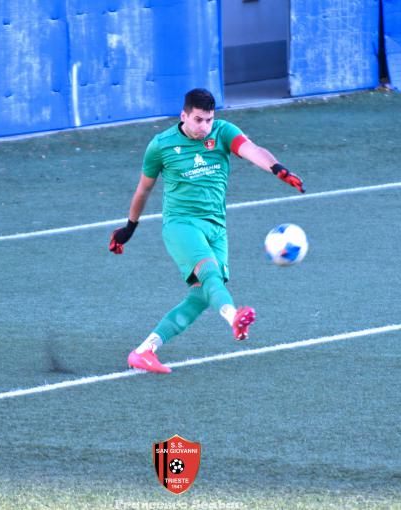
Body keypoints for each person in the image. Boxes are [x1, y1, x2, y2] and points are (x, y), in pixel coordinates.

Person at [109, 88, 304, 374]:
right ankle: (234, 317)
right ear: (184, 116)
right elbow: (144, 189)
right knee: (210, 274)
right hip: (181, 225)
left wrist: (277, 168)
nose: (204, 127)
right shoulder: (161, 145)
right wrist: (130, 227)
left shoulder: (223, 132)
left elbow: (252, 151)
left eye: (209, 120)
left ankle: (143, 351)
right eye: (198, 120)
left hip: (216, 228)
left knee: (201, 296)